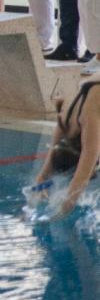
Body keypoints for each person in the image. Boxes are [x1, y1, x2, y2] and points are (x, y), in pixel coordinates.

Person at [31, 74, 99, 219]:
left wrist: (61, 212)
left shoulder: (88, 117)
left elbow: (81, 178)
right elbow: (42, 176)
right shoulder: (64, 121)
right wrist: (30, 208)